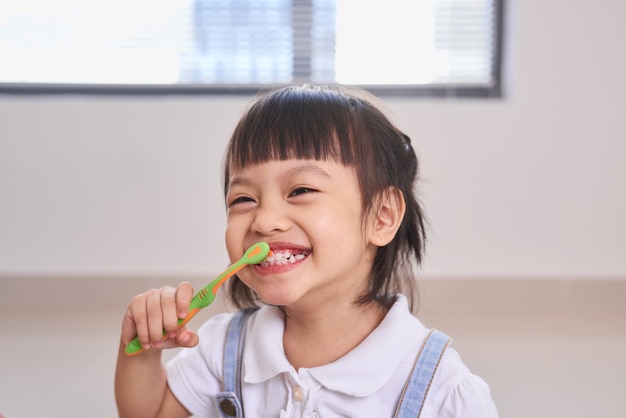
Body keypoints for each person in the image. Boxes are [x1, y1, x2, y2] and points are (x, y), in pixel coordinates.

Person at [115, 84, 498, 418]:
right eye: (244, 198)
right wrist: (143, 350)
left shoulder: (440, 388)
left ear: (381, 217)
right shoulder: (225, 348)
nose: (264, 220)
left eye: (300, 191)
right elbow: (148, 413)